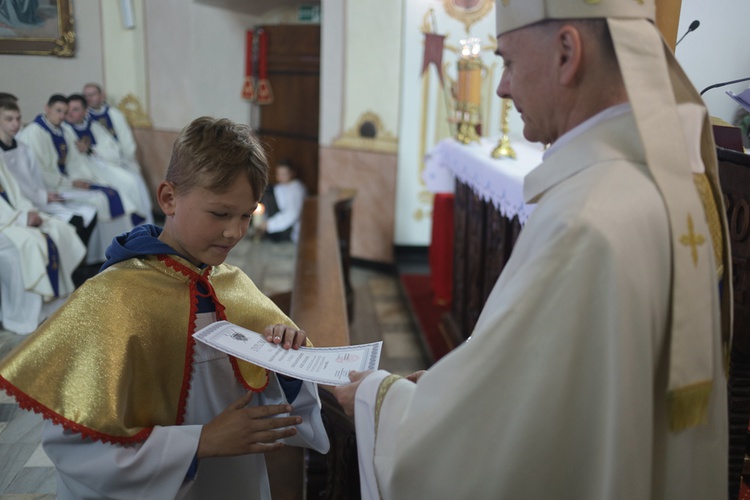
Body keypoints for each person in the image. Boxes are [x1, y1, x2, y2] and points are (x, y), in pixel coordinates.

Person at [333, 1, 731, 499]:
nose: (500, 86)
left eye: (510, 63)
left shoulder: (585, 218)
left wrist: (377, 398)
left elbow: (495, 443)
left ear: (567, 53)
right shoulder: (673, 184)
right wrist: (444, 386)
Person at [0, 116, 330, 498]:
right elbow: (74, 447)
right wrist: (198, 443)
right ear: (169, 198)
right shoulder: (113, 298)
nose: (234, 232)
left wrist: (284, 365)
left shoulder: (232, 285)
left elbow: (270, 409)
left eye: (246, 215)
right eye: (220, 214)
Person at [17, 94, 139, 264]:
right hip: (50, 187)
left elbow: (74, 161)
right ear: (47, 108)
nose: (62, 116)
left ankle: (106, 253)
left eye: (64, 112)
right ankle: (85, 259)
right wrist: (70, 183)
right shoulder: (34, 132)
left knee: (108, 195)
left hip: (66, 183)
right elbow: (38, 170)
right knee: (98, 202)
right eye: (58, 111)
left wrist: (82, 180)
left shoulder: (64, 130)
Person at [0, 157, 86, 335]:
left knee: (57, 229)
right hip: (5, 223)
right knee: (30, 243)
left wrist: (28, 211)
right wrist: (21, 219)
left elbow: (15, 194)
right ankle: (24, 315)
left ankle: (52, 304)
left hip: (13, 217)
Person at [0, 98, 98, 252]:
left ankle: (78, 266)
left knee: (89, 214)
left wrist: (45, 194)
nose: (15, 124)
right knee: (74, 222)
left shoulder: (23, 148)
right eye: (9, 119)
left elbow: (35, 178)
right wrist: (42, 196)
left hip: (38, 198)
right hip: (20, 207)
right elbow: (11, 190)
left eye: (18, 119)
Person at [65, 93, 153, 225]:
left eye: (75, 109)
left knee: (131, 182)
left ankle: (142, 223)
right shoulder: (65, 130)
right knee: (119, 190)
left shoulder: (94, 126)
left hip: (101, 165)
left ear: (85, 112)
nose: (70, 113)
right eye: (68, 110)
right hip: (85, 172)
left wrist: (91, 150)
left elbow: (113, 150)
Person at [260, 160, 306, 243]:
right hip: (276, 221)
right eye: (279, 174)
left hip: (289, 230)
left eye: (284, 174)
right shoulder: (280, 187)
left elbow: (292, 213)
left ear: (292, 173)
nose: (281, 177)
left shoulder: (296, 190)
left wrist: (268, 225)